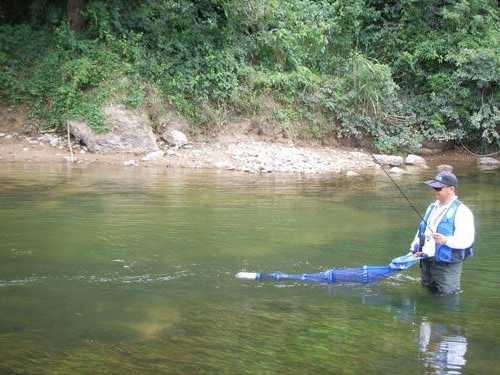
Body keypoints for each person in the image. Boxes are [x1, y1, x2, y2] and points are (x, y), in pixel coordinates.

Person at [409, 171, 474, 295]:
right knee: (426, 295)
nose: (434, 191)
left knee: (447, 298)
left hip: (447, 265)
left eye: (438, 188)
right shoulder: (432, 207)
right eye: (433, 187)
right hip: (426, 260)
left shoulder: (462, 211)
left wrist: (446, 241)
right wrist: (413, 249)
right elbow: (421, 230)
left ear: (451, 189)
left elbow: (467, 240)